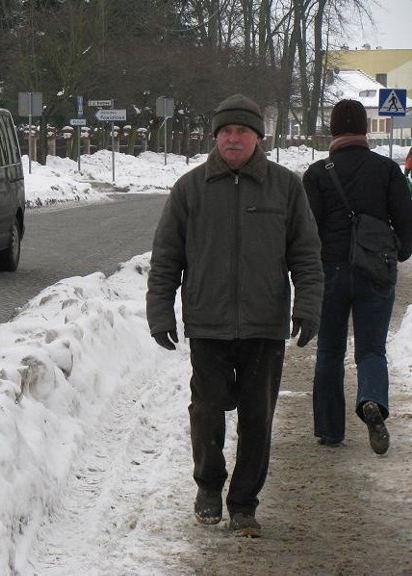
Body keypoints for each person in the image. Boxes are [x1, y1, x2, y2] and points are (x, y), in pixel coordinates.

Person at [146, 94, 323, 537]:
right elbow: (167, 257)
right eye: (225, 131)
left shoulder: (286, 187)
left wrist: (307, 306)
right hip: (208, 321)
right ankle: (208, 486)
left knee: (257, 416)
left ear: (258, 138)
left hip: (264, 323)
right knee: (206, 409)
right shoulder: (190, 189)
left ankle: (244, 502)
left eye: (241, 131)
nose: (232, 138)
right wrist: (160, 312)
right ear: (215, 138)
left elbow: (305, 254)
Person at [303, 99, 412, 454]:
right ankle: (372, 402)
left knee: (330, 350)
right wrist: (401, 252)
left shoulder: (318, 173)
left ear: (333, 130)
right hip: (376, 269)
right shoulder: (387, 170)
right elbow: (407, 220)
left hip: (330, 269)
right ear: (365, 129)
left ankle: (330, 430)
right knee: (371, 349)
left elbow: (308, 230)